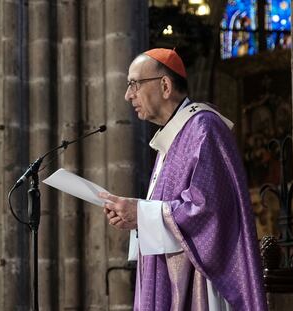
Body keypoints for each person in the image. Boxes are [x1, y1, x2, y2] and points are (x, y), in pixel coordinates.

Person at [99, 48, 267, 311]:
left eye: (134, 84)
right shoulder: (173, 138)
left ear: (165, 85)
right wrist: (135, 217)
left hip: (199, 284)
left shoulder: (204, 128)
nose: (128, 95)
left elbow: (207, 209)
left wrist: (142, 213)